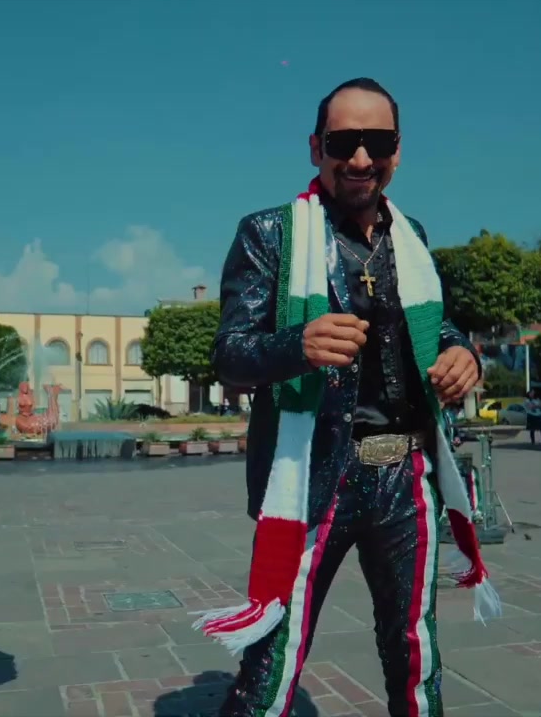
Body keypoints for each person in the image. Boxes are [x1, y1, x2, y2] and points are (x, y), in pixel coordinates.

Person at [200, 78, 499, 717]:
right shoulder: (270, 234)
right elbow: (229, 353)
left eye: (378, 142)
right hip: (314, 474)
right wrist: (297, 345)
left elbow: (436, 329)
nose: (361, 158)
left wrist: (463, 355)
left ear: (398, 151)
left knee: (415, 650)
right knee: (273, 655)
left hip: (405, 473)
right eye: (343, 142)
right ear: (316, 148)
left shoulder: (411, 236)